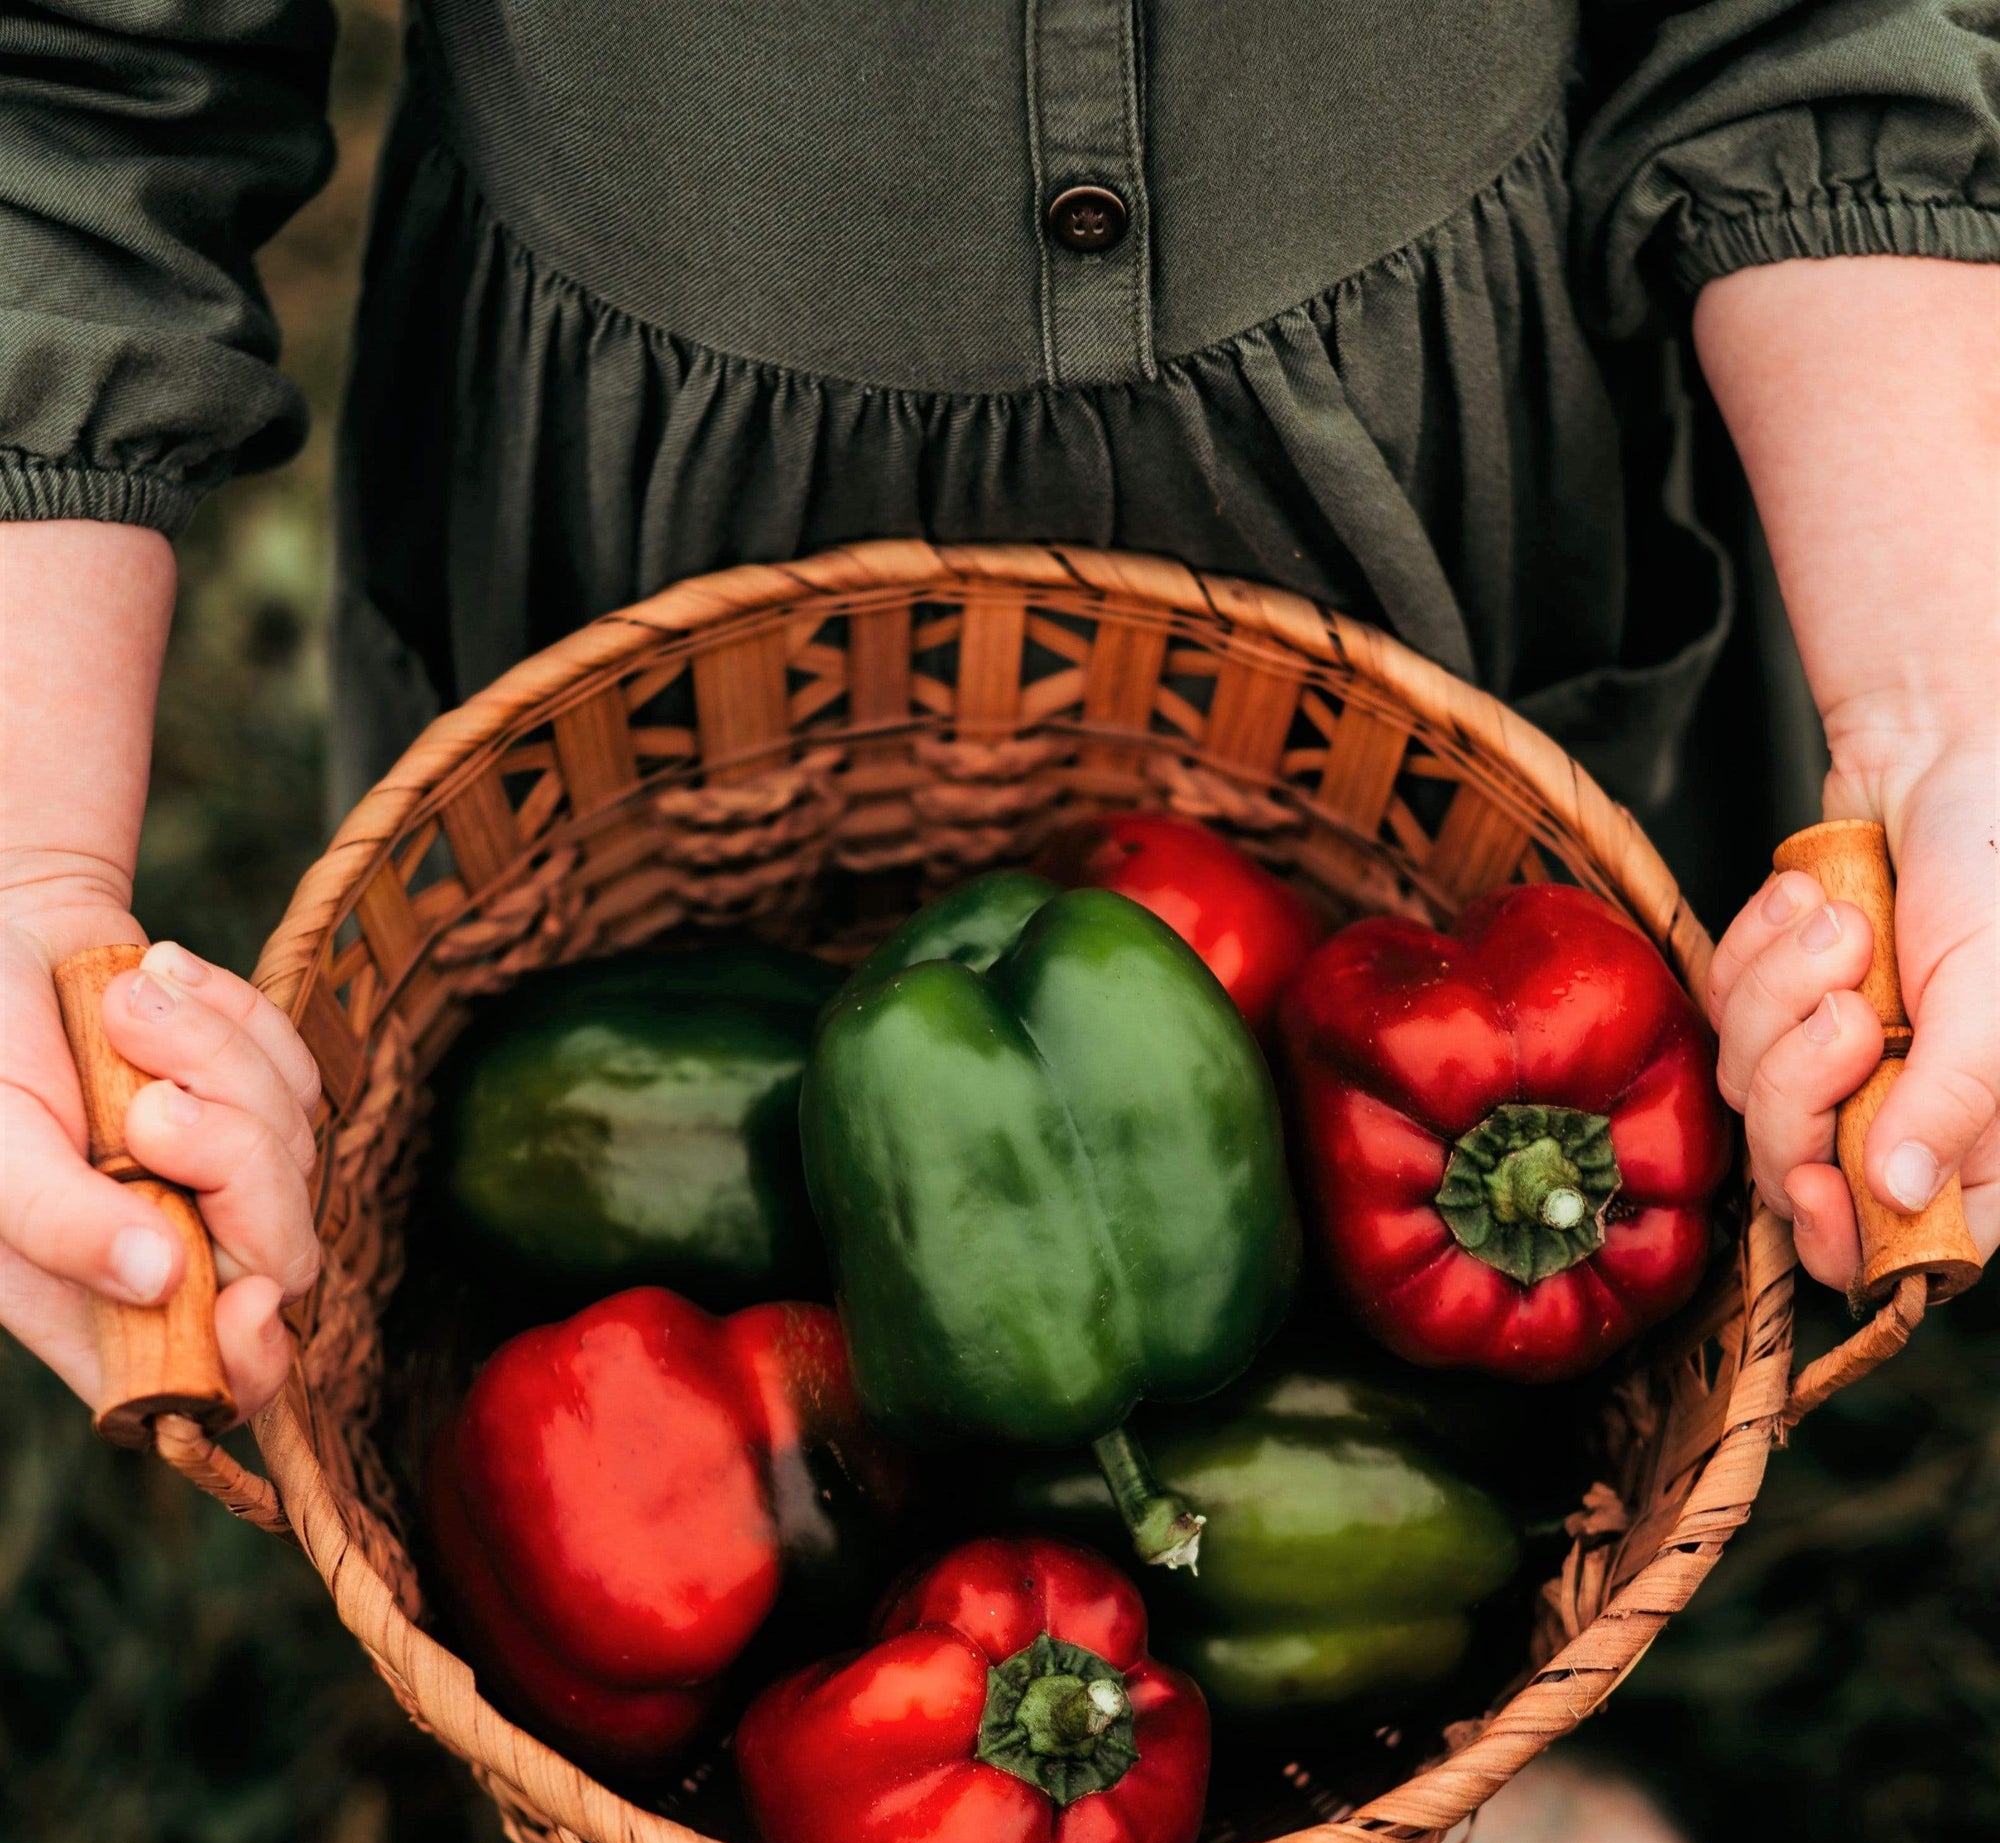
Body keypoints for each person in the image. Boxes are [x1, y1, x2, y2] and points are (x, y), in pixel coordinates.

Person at [0, 2, 1994, 1423]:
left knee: (1496, 1407)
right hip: (637, 529)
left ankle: (1434, 1726)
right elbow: (72, 77)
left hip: (1442, 499)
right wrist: (26, 857)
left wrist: (1940, 699)